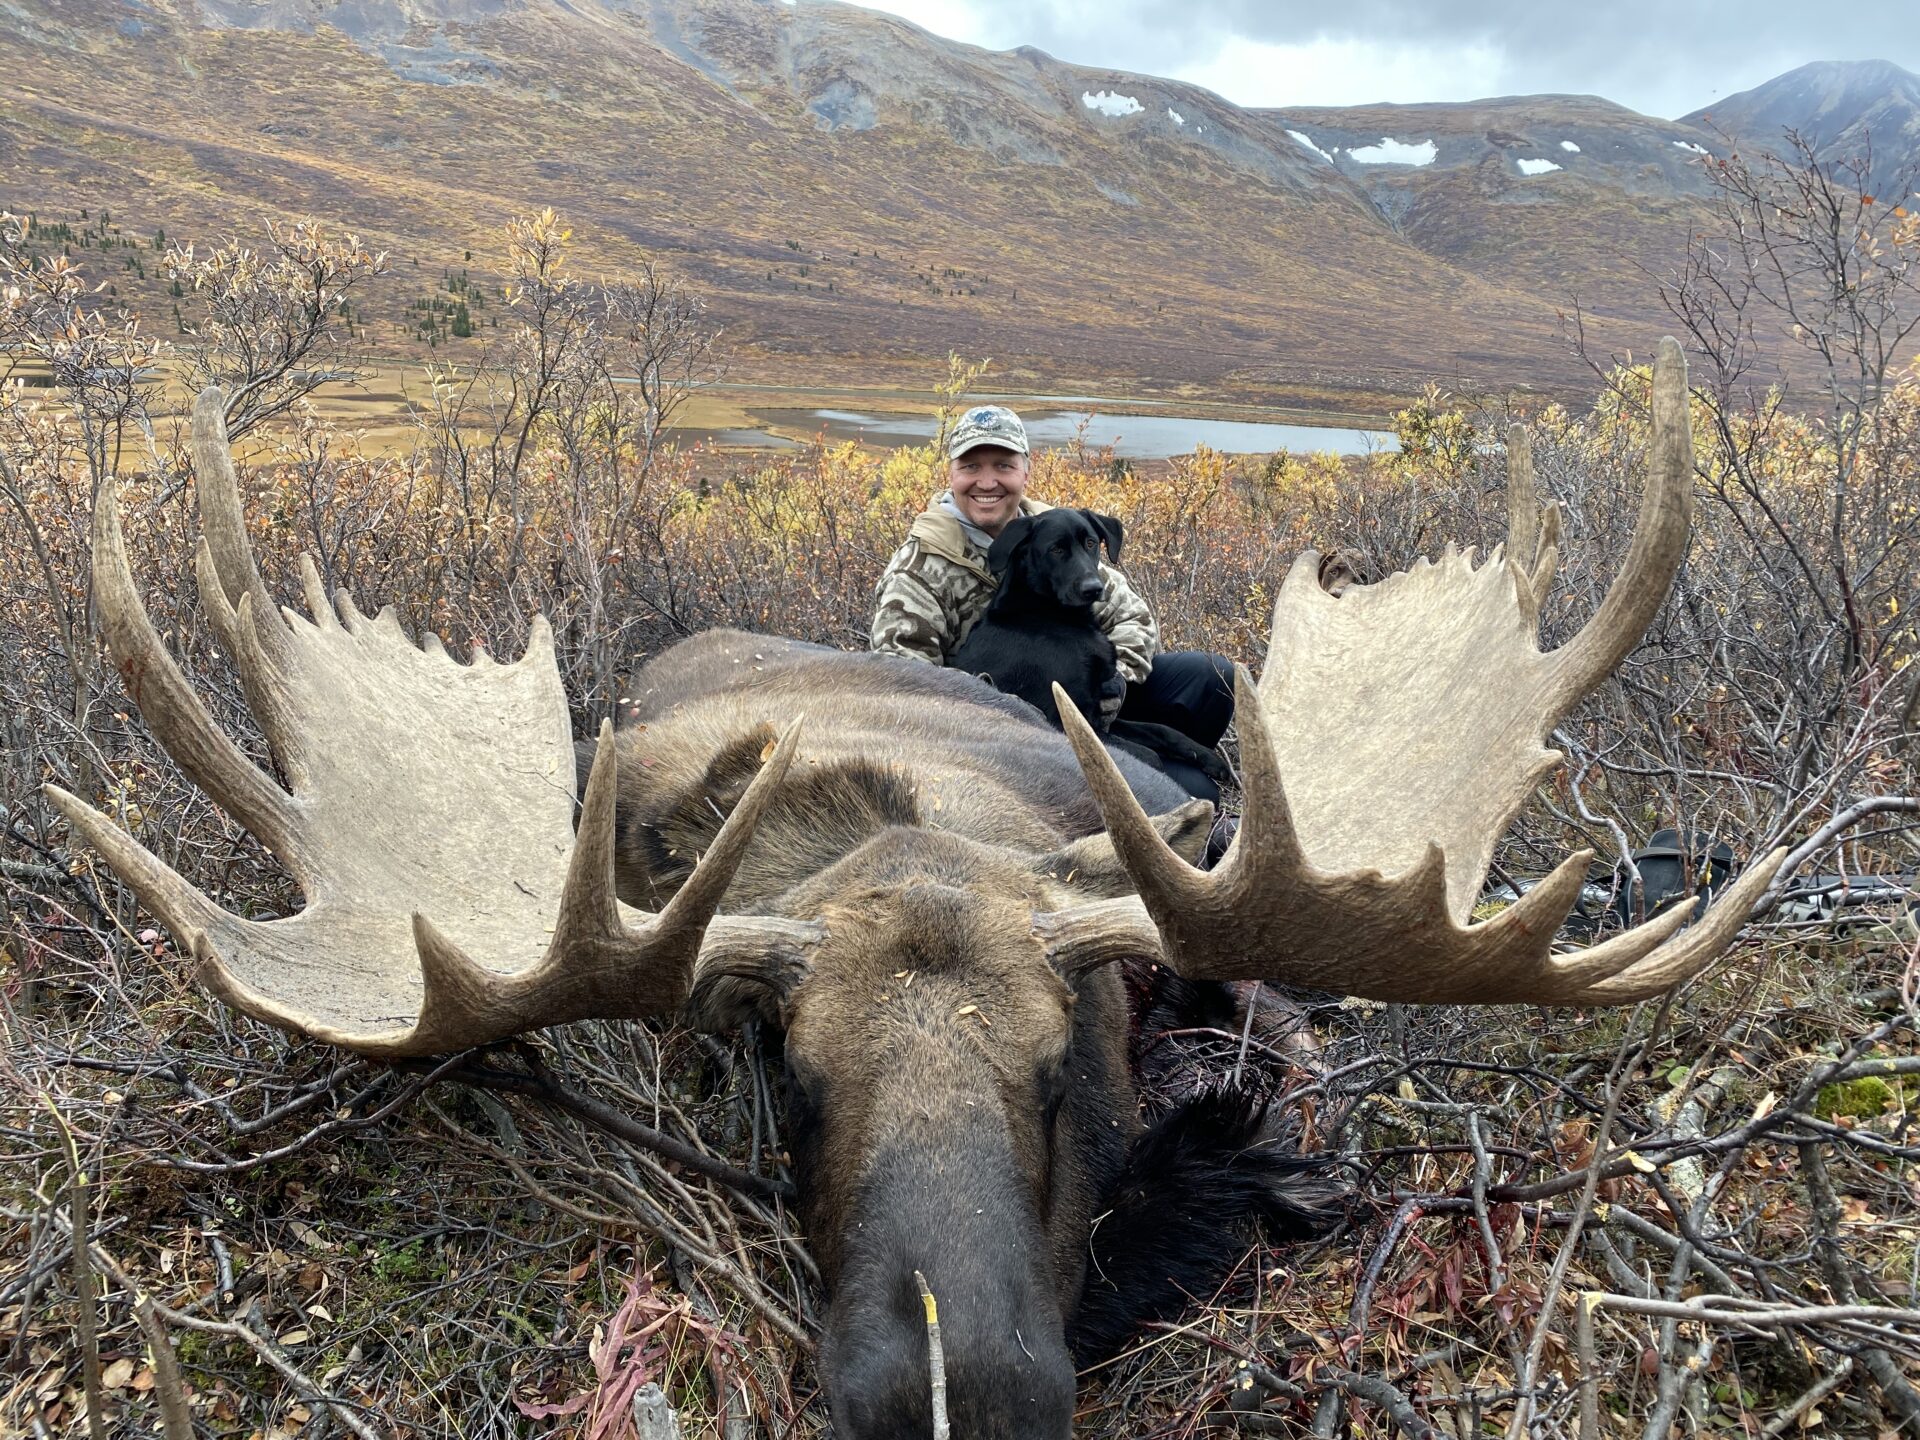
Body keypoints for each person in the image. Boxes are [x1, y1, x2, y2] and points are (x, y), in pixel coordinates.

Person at [870, 404, 1235, 802]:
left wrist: (1112, 685)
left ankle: (1159, 782)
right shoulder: (919, 567)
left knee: (1209, 676)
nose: (987, 481)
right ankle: (1158, 795)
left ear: (1025, 472)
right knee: (1192, 792)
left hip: (1087, 697)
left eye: (1003, 466)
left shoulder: (1060, 530)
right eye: (971, 467)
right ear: (952, 475)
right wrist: (1007, 716)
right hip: (1003, 733)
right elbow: (904, 683)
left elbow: (1132, 617)